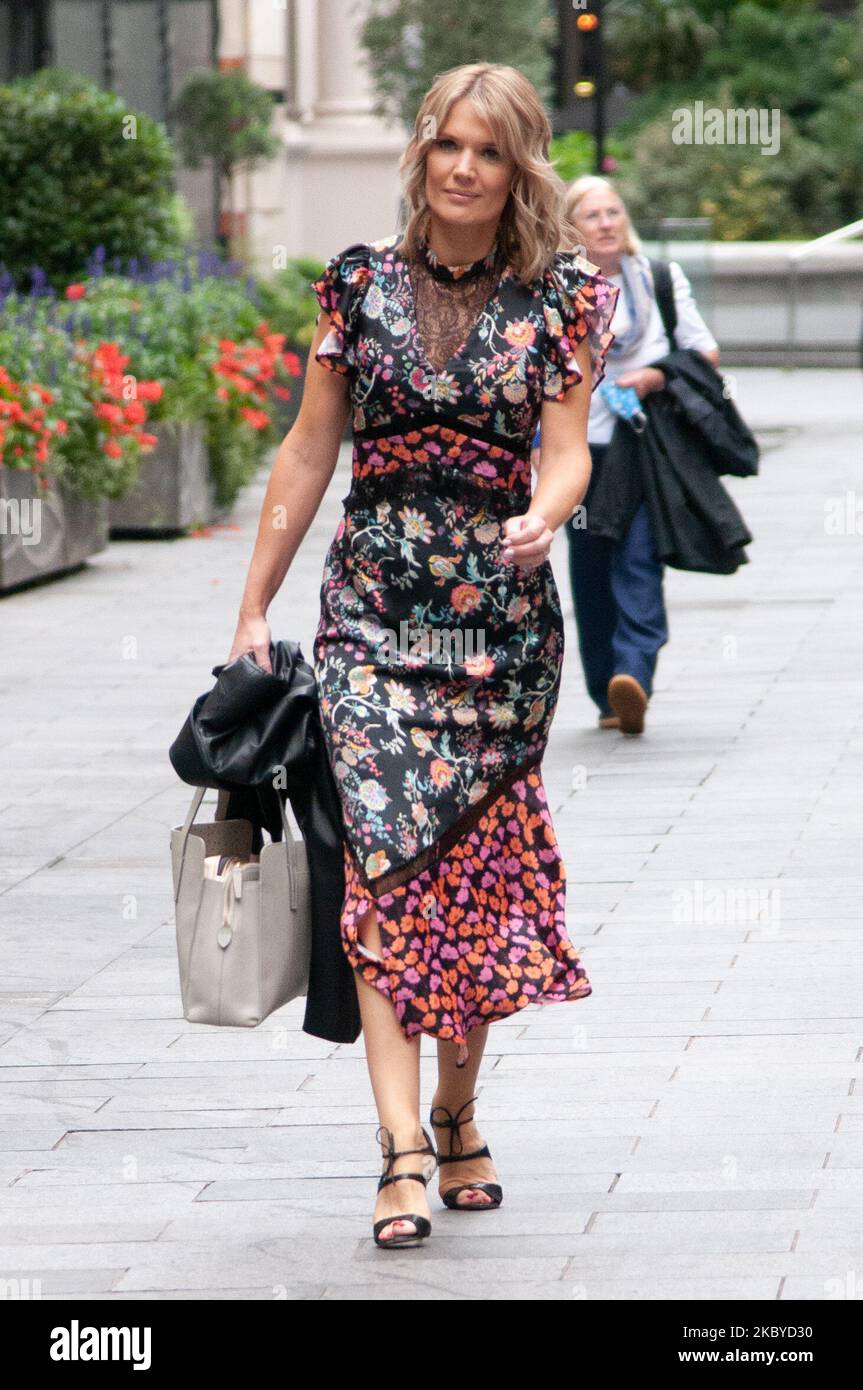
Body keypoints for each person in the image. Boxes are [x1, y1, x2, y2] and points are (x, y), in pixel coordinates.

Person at [227, 65, 618, 1248]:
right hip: (370, 618)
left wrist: (545, 513)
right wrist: (253, 606)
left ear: (518, 170)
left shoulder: (559, 302)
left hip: (497, 631)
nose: (462, 166)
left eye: (488, 152)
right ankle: (398, 1144)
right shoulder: (355, 286)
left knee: (473, 878)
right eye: (447, 144)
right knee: (384, 872)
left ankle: (454, 1109)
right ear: (421, 153)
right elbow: (305, 454)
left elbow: (566, 448)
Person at [544, 176, 720, 735]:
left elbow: (704, 350)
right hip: (580, 455)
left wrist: (652, 376)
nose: (605, 222)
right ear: (571, 227)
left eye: (613, 211)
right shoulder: (556, 288)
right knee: (591, 574)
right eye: (592, 214)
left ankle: (634, 674)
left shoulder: (658, 280)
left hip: (643, 450)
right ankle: (606, 694)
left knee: (640, 562)